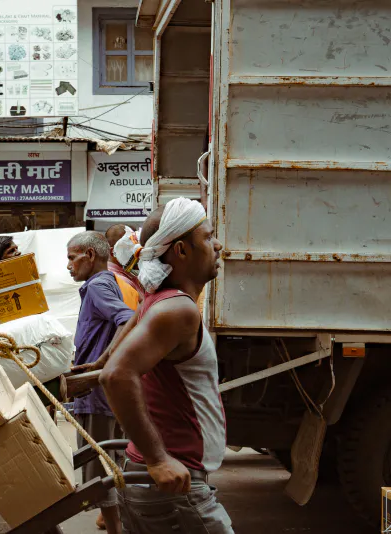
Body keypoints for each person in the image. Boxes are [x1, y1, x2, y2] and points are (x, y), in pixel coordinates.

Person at [98, 198, 232, 533]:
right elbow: (116, 375)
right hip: (175, 489)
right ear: (182, 252)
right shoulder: (177, 310)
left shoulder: (159, 300)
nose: (217, 245)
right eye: (208, 237)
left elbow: (115, 359)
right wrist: (158, 459)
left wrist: (96, 366)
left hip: (162, 484)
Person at [66, 231, 136, 534]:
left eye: (72, 258)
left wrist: (101, 362)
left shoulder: (98, 285)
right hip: (99, 393)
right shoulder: (102, 284)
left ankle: (117, 529)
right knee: (109, 465)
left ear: (90, 256)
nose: (68, 266)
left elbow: (128, 318)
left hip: (96, 394)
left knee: (101, 470)